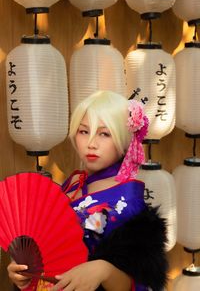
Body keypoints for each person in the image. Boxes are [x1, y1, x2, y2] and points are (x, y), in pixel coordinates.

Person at [7, 90, 168, 291]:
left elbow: (140, 281)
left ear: (125, 139)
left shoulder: (128, 198)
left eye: (104, 133)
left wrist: (104, 270)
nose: (91, 144)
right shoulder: (74, 183)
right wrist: (23, 272)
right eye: (84, 131)